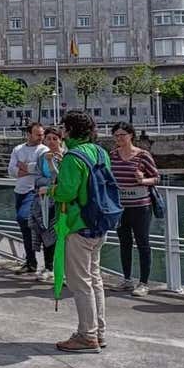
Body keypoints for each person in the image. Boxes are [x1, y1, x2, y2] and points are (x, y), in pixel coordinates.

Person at [51, 110, 108, 353]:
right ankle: (98, 331)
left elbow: (66, 192)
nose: (60, 131)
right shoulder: (100, 152)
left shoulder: (72, 157)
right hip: (99, 223)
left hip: (78, 224)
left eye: (63, 127)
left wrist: (50, 190)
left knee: (80, 282)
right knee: (95, 279)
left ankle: (87, 336)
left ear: (70, 129)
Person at [110, 121, 159, 297]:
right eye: (116, 135)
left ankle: (144, 283)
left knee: (143, 243)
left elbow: (156, 177)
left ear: (131, 135)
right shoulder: (112, 155)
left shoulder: (143, 155)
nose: (119, 138)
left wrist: (142, 180)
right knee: (124, 243)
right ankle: (127, 279)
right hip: (120, 206)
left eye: (122, 135)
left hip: (140, 206)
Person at [8, 122, 49, 274]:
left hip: (34, 191)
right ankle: (31, 262)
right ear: (29, 134)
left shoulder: (43, 150)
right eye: (38, 134)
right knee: (25, 228)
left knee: (23, 218)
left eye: (42, 134)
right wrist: (28, 169)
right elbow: (11, 171)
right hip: (19, 191)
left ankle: (47, 263)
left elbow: (39, 169)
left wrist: (23, 166)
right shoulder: (18, 149)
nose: (41, 137)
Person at [32, 127, 65, 281]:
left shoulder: (65, 157)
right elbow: (37, 178)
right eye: (48, 139)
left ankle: (62, 269)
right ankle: (48, 267)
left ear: (61, 140)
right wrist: (49, 183)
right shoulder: (42, 157)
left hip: (60, 201)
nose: (51, 142)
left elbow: (62, 179)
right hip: (44, 201)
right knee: (46, 232)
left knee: (61, 235)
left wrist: (50, 184)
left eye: (55, 139)